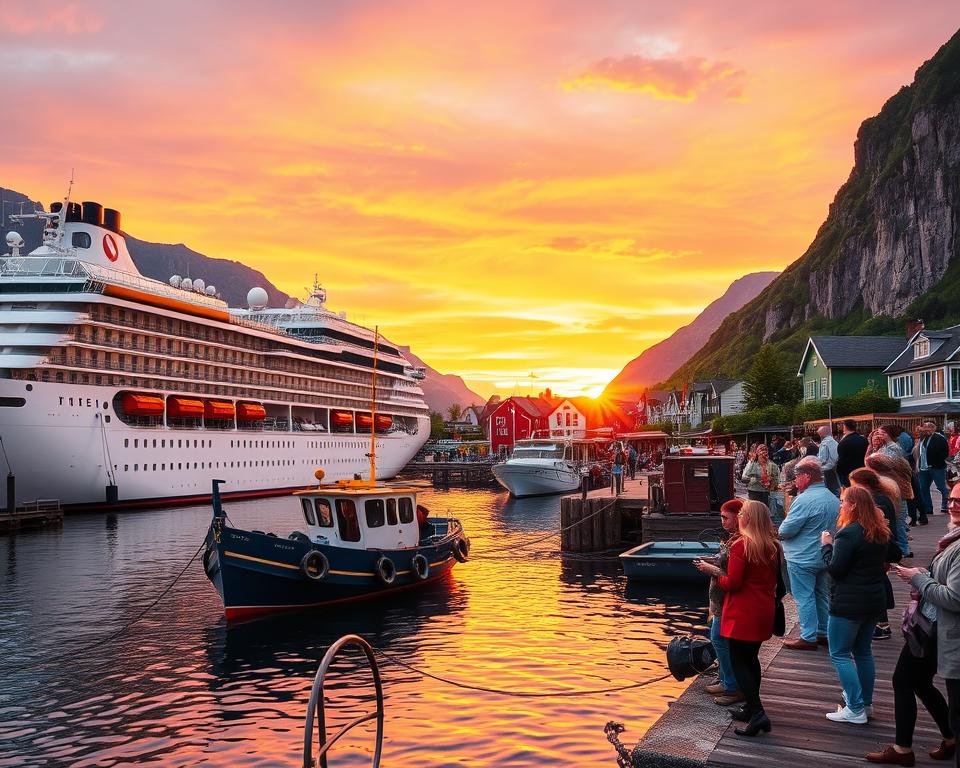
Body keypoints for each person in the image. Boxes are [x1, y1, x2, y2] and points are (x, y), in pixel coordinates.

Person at [889, 481, 960, 767]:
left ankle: (903, 749)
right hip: (934, 627)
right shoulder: (953, 537)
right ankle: (948, 737)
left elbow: (955, 598)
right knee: (914, 680)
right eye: (953, 499)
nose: (953, 505)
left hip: (941, 630)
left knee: (906, 680)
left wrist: (919, 578)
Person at [695, 500, 780, 737]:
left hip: (743, 611)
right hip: (764, 608)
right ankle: (752, 708)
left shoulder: (743, 546)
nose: (739, 517)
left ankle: (758, 713)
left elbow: (733, 583)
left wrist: (715, 575)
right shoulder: (772, 545)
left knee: (740, 662)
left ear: (748, 519)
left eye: (741, 514)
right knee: (752, 660)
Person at [820, 486, 900, 724]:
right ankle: (866, 703)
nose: (841, 505)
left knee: (840, 654)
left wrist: (826, 546)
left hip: (849, 602)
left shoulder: (848, 534)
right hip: (873, 600)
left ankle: (854, 708)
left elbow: (836, 569)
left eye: (844, 501)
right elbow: (893, 554)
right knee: (863, 652)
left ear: (853, 505)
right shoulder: (879, 531)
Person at [779, 458, 839, 650]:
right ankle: (823, 632)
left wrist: (777, 531)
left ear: (806, 476)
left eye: (797, 476)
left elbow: (786, 530)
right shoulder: (832, 497)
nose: (795, 481)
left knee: (804, 596)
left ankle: (808, 636)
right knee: (821, 594)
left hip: (802, 557)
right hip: (823, 555)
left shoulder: (803, 500)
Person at [697, 498, 744, 707]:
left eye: (725, 517)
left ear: (738, 517)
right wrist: (712, 560)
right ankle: (726, 679)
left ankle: (731, 684)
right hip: (720, 599)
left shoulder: (739, 543)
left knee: (719, 639)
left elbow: (732, 577)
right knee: (719, 639)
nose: (722, 521)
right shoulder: (734, 539)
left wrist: (710, 569)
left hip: (726, 598)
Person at [849, 467, 904, 640]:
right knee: (879, 578)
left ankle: (880, 624)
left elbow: (879, 525)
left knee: (876, 580)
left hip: (877, 544)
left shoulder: (876, 502)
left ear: (864, 485)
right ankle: (880, 622)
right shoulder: (884, 499)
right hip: (883, 544)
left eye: (854, 485)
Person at [866, 453, 914, 558]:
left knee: (896, 528)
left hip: (892, 509)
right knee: (899, 527)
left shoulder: (881, 481)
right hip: (897, 506)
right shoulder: (891, 477)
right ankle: (903, 549)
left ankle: (901, 550)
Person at [917, 421, 950, 518]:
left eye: (928, 427)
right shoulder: (923, 438)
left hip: (937, 467)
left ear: (933, 428)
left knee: (941, 487)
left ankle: (946, 506)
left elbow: (945, 452)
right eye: (925, 427)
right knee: (923, 488)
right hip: (923, 468)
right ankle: (928, 508)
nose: (926, 429)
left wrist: (936, 461)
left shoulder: (939, 438)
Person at [837, 419, 868, 488]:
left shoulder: (843, 442)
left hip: (847, 473)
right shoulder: (864, 440)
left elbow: (841, 459)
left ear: (845, 427)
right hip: (861, 470)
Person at [818, 425, 841, 496]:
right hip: (833, 468)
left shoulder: (825, 443)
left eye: (819, 434)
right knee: (835, 490)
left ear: (821, 434)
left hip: (827, 469)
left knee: (831, 491)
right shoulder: (835, 442)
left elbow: (822, 459)